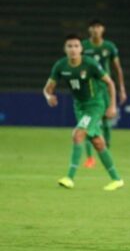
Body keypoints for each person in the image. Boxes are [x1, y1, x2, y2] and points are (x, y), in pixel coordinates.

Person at [42, 34, 124, 191]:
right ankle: (117, 179)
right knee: (98, 142)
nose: (73, 49)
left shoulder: (90, 64)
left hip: (95, 105)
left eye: (76, 46)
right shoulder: (60, 66)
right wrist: (48, 96)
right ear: (65, 49)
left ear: (81, 49)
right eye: (69, 46)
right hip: (79, 107)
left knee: (78, 134)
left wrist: (112, 106)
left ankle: (69, 177)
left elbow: (110, 83)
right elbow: (47, 89)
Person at [81, 18, 128, 168]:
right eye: (93, 27)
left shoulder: (109, 47)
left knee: (107, 121)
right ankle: (89, 158)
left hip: (105, 87)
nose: (95, 29)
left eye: (98, 27)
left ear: (103, 29)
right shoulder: (83, 46)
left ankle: (105, 150)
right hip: (89, 87)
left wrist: (121, 89)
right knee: (88, 122)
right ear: (89, 30)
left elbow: (117, 68)